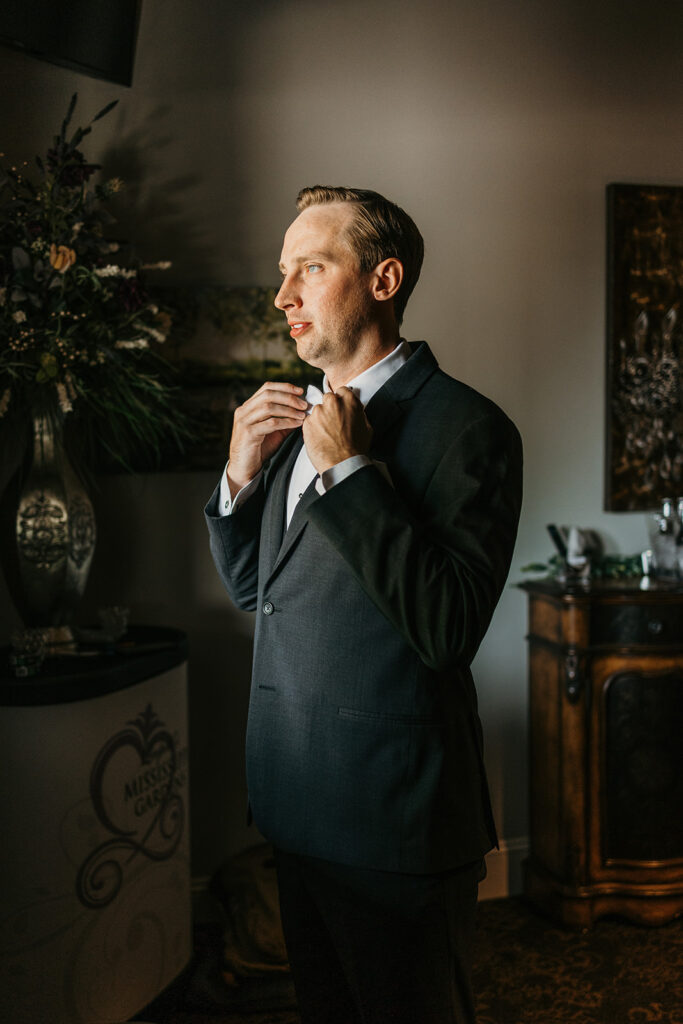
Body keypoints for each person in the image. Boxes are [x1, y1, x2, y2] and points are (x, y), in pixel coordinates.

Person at [205, 185, 523, 1024]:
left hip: (395, 823)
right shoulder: (287, 420)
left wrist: (351, 474)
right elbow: (257, 593)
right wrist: (240, 472)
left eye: (309, 268)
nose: (283, 297)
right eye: (283, 274)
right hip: (293, 801)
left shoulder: (469, 429)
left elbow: (447, 628)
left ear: (383, 280)